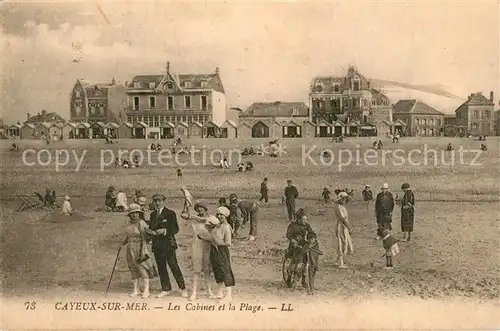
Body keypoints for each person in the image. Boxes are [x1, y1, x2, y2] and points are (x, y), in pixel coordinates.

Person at [148, 193, 188, 298]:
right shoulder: (152, 214)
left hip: (168, 244)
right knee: (161, 267)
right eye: (155, 201)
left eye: (159, 200)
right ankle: (166, 289)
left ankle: (182, 288)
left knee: (174, 266)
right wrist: (150, 233)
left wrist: (165, 230)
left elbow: (175, 229)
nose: (157, 203)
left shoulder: (170, 213)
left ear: (163, 201)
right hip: (157, 245)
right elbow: (151, 228)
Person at [182, 201, 219, 301]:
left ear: (205, 208)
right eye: (197, 208)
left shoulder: (213, 219)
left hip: (208, 245)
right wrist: (186, 201)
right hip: (197, 244)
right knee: (196, 269)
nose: (199, 209)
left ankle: (209, 291)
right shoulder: (194, 218)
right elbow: (184, 215)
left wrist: (214, 227)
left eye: (201, 207)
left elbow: (221, 228)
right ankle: (194, 292)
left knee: (207, 269)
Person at [123, 204, 158, 298]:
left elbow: (144, 238)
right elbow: (128, 236)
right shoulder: (129, 223)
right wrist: (122, 244)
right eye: (132, 213)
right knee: (133, 267)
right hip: (130, 248)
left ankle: (146, 290)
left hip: (140, 246)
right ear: (129, 215)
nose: (134, 215)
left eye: (136, 213)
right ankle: (136, 289)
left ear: (139, 214)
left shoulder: (141, 223)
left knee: (142, 267)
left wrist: (143, 251)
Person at [210, 206, 235, 302]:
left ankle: (229, 295)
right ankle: (220, 292)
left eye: (222, 215)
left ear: (226, 216)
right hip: (214, 250)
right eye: (218, 214)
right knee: (218, 270)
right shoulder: (218, 225)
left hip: (222, 250)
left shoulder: (226, 227)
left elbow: (228, 242)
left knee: (225, 270)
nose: (219, 216)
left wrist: (217, 242)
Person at [333, 192, 353, 268]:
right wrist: (349, 228)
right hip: (341, 226)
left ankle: (338, 260)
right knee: (341, 242)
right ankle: (340, 263)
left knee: (344, 242)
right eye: (344, 199)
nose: (345, 201)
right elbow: (343, 219)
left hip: (344, 226)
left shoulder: (341, 206)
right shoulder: (338, 207)